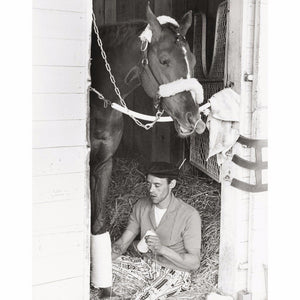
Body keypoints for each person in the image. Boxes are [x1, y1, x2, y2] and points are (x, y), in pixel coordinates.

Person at [110, 161, 202, 299]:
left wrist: (162, 249)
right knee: (98, 266)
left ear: (172, 184)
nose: (151, 190)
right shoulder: (141, 206)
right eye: (149, 184)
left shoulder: (189, 215)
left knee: (142, 298)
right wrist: (104, 260)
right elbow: (123, 242)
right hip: (147, 265)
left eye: (157, 185)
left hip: (175, 272)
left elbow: (194, 263)